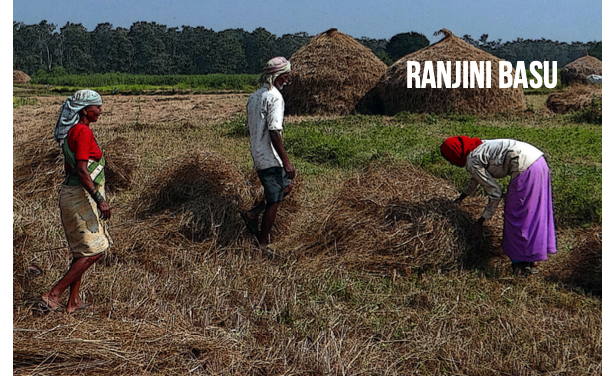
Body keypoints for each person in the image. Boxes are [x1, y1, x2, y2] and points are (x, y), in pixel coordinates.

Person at [440, 136, 557, 275]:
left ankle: (520, 265)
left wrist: (482, 220)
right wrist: (461, 198)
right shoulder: (478, 146)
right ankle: (530, 259)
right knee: (534, 213)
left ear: (455, 153)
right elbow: (476, 178)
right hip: (539, 162)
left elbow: (495, 193)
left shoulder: (472, 159)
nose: (452, 164)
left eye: (450, 159)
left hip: (525, 168)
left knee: (515, 216)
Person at [42, 89, 112, 313]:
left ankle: (73, 302)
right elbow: (82, 171)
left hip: (73, 194)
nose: (100, 111)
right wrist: (100, 200)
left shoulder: (74, 131)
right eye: (97, 107)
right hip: (79, 196)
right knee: (96, 250)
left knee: (82, 251)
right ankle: (54, 293)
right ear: (85, 110)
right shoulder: (82, 132)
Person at [241, 57, 295, 253]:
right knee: (274, 200)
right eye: (286, 77)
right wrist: (286, 162)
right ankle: (262, 246)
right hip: (269, 156)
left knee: (286, 188)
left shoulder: (254, 97)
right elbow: (274, 130)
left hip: (257, 151)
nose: (287, 81)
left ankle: (253, 213)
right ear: (278, 76)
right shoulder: (275, 98)